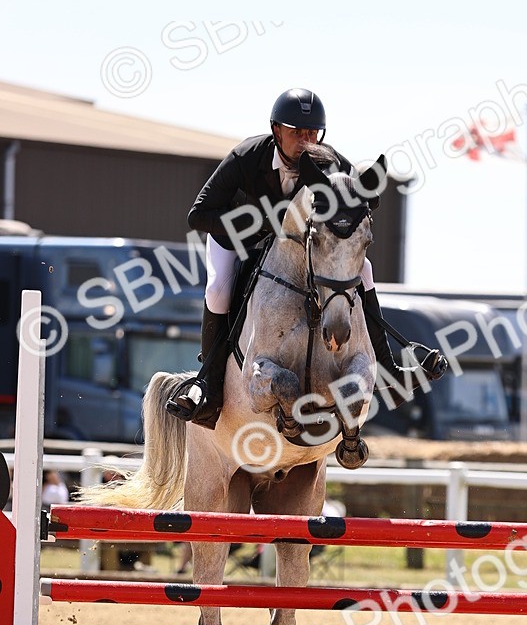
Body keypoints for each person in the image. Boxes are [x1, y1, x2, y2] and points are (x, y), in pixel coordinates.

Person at [170, 88, 446, 429]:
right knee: (217, 291)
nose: (306, 140)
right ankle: (208, 387)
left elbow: (355, 204)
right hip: (241, 241)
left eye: (313, 133)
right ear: (276, 131)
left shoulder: (331, 164)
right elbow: (198, 215)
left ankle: (387, 367)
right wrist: (260, 222)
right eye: (297, 132)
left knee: (367, 271)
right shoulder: (247, 156)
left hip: (300, 249)